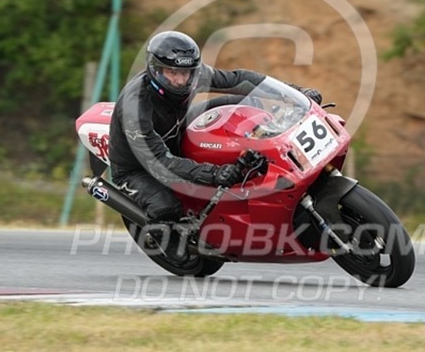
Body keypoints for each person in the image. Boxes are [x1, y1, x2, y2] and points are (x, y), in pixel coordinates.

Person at [108, 31, 321, 260]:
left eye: (186, 73)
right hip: (139, 166)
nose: (180, 81)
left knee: (240, 103)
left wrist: (294, 93)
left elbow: (240, 80)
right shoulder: (135, 106)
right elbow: (160, 161)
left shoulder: (195, 75)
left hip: (177, 129)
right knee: (166, 208)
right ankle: (163, 240)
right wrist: (215, 173)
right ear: (155, 69)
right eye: (172, 73)